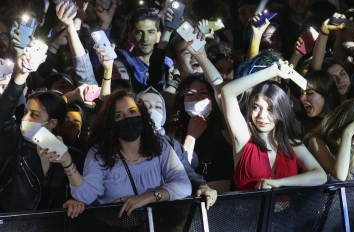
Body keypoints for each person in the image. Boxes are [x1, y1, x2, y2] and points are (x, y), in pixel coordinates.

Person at [46, 89, 191, 217]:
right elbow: (86, 196)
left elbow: (184, 185)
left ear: (143, 115)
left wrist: (148, 197)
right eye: (119, 115)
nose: (127, 118)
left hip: (153, 225)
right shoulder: (100, 153)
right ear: (110, 123)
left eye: (132, 112)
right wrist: (67, 162)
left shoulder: (159, 145)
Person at [0, 53, 85, 216]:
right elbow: (2, 117)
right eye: (25, 112)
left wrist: (75, 201)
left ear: (52, 123)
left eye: (34, 115)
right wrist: (20, 75)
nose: (25, 119)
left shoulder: (72, 156)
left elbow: (83, 192)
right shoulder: (14, 147)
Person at [220, 60, 327, 190]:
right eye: (256, 107)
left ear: (281, 111)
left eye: (270, 109)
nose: (262, 116)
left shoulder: (290, 143)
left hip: (287, 210)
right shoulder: (243, 136)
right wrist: (272, 71)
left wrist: (279, 183)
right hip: (248, 210)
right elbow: (227, 91)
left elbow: (320, 176)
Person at [138, 87, 218, 209]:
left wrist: (202, 185)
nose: (152, 111)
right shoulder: (126, 142)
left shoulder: (171, 144)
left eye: (158, 107)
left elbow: (185, 170)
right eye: (145, 106)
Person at [171, 74, 234, 194]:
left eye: (203, 93)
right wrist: (190, 137)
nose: (196, 98)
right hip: (191, 197)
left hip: (223, 201)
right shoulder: (176, 131)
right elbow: (178, 172)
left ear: (213, 99)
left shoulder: (226, 128)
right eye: (189, 94)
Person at [115, 8, 173, 93]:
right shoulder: (124, 60)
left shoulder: (167, 63)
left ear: (158, 36)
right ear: (130, 36)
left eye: (151, 32)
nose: (145, 39)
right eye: (139, 32)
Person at [296, 70, 341, 139]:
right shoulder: (299, 126)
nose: (302, 98)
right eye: (302, 93)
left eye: (309, 93)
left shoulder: (343, 121)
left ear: (326, 94)